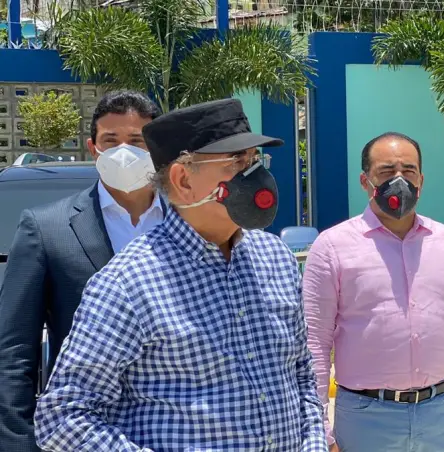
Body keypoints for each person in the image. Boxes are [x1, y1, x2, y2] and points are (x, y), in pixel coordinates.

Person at [33, 99, 326, 451]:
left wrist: (313, 443)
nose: (255, 176)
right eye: (235, 162)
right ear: (183, 179)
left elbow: (300, 374)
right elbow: (62, 417)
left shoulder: (276, 258)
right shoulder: (129, 283)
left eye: (253, 161)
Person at [302, 132, 444, 452]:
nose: (399, 180)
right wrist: (319, 430)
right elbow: (314, 344)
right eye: (386, 172)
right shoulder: (332, 247)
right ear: (365, 181)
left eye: (408, 171)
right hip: (365, 418)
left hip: (441, 415)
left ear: (421, 180)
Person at [0, 89, 163, 452]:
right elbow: (14, 352)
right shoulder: (47, 229)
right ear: (93, 148)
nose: (124, 151)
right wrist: (18, 443)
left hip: (179, 432)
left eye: (137, 141)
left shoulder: (189, 224)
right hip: (85, 433)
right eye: (111, 141)